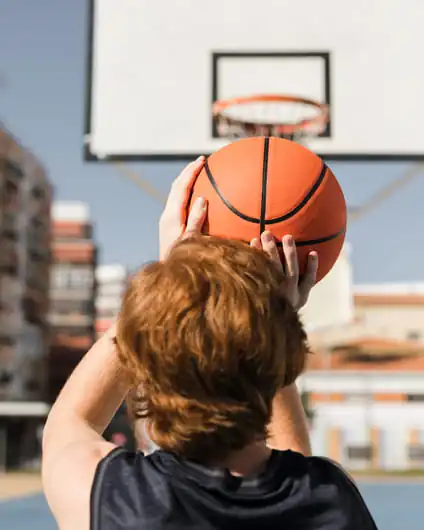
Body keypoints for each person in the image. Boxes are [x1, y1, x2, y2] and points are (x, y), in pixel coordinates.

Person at [42, 157, 378, 529]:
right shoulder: (328, 502)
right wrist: (267, 312)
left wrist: (172, 280)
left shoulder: (120, 501)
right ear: (282, 358)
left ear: (149, 374)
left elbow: (68, 424)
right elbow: (291, 461)